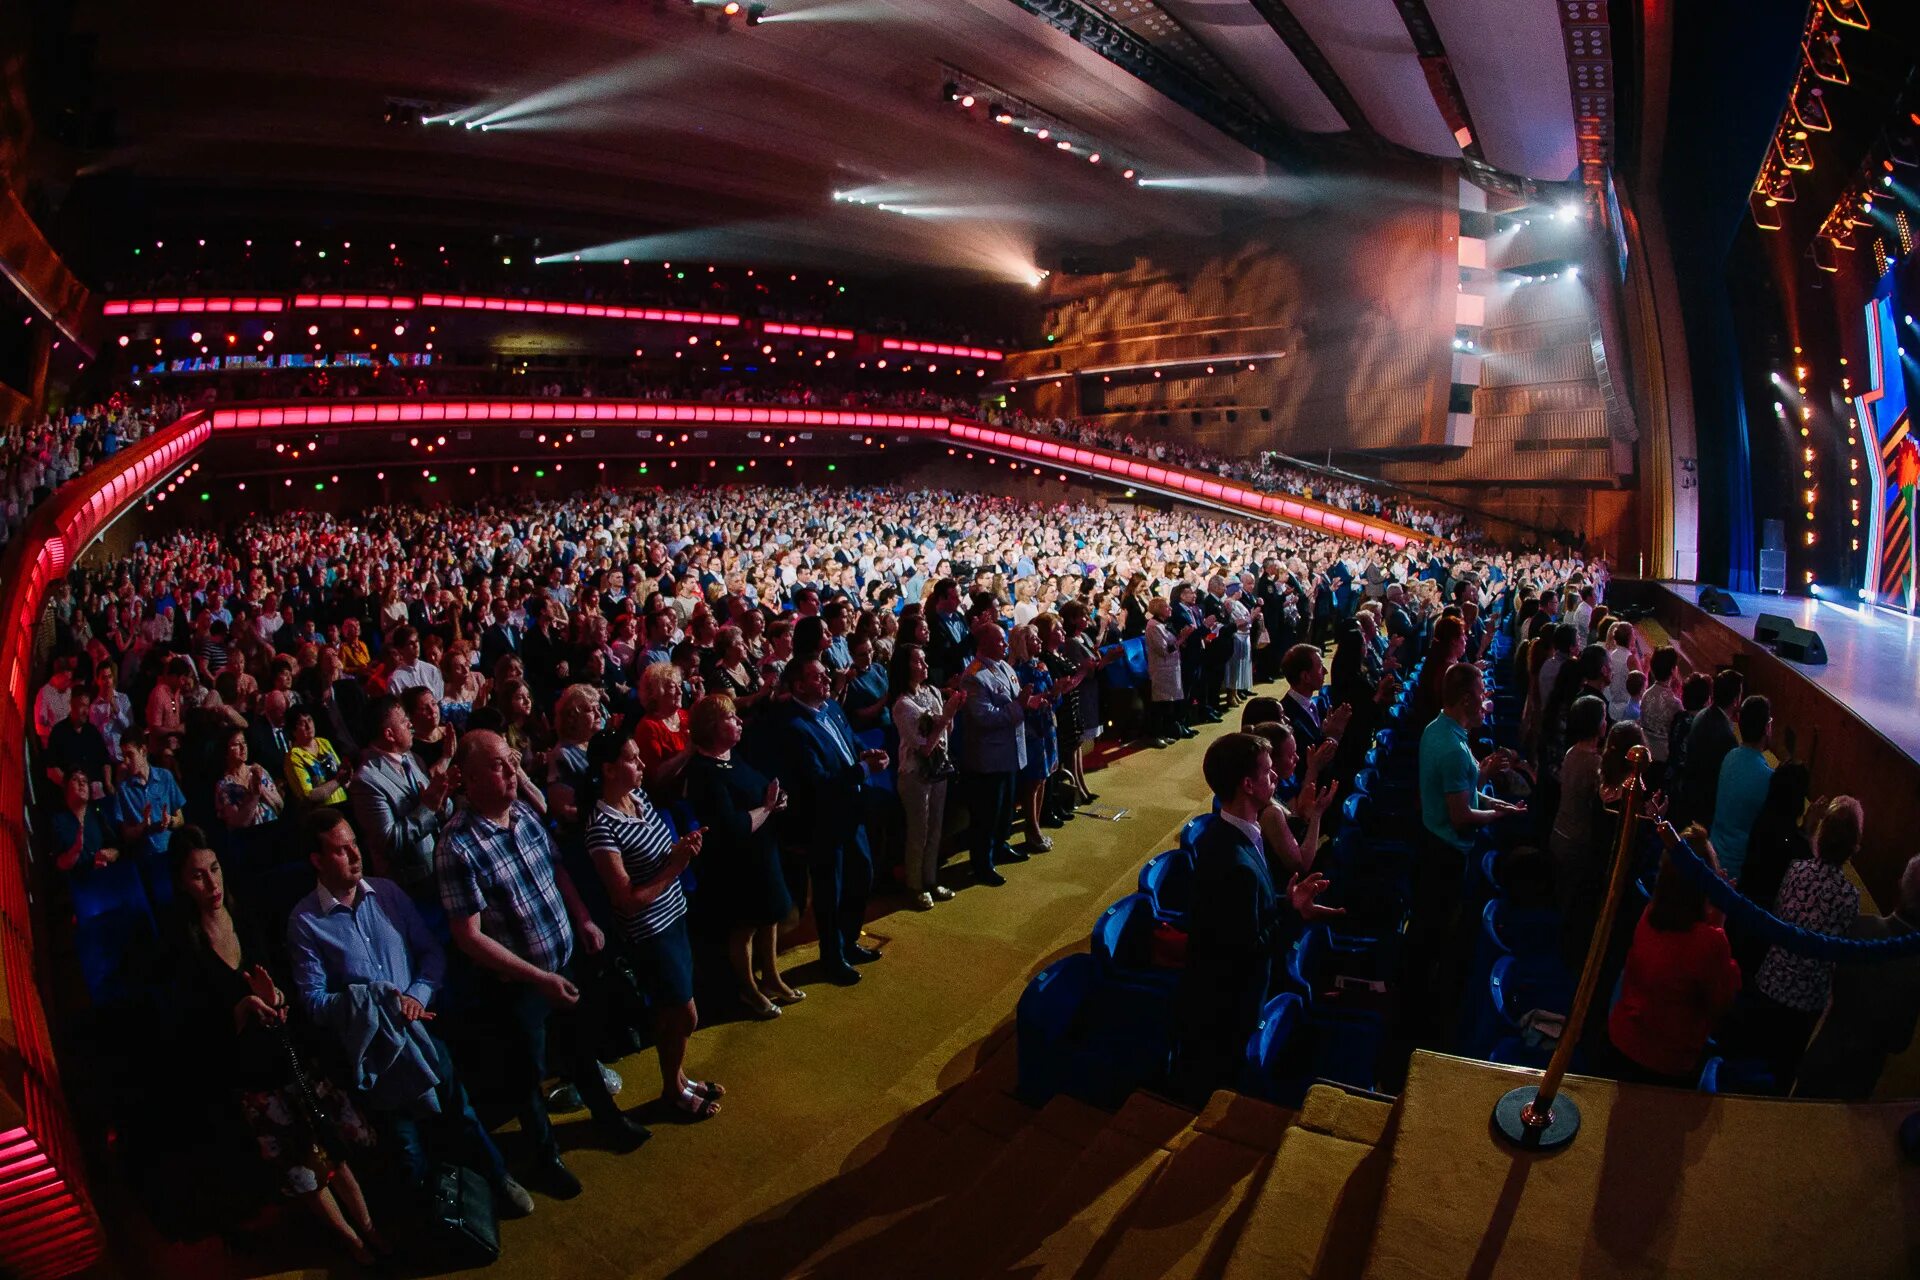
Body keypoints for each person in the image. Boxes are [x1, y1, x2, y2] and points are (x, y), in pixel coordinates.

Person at [285, 809, 534, 1218]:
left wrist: (416, 995)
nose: (354, 854)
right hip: (377, 1051)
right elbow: (314, 1003)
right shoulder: (306, 922)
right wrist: (378, 999)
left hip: (422, 1031)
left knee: (461, 1112)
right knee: (406, 1145)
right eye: (340, 850)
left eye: (354, 844)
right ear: (317, 860)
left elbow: (431, 952)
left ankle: (496, 1177)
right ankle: (431, 1220)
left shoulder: (386, 892)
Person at [438, 730, 649, 1200]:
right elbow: (467, 936)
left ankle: (608, 1121)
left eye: (512, 762)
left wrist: (584, 919)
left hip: (564, 960)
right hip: (517, 984)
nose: (512, 772)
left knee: (580, 1047)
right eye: (499, 766)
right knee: (525, 1075)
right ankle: (543, 1157)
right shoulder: (456, 845)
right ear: (468, 779)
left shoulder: (525, 814)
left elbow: (557, 869)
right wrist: (539, 979)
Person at [169, 835, 384, 1264]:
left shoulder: (245, 916)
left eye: (214, 869)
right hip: (250, 1074)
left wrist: (277, 999)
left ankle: (372, 1230)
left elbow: (287, 983)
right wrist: (244, 1008)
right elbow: (196, 1031)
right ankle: (354, 1244)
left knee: (335, 1152)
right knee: (306, 1172)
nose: (210, 883)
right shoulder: (184, 947)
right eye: (197, 875)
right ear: (182, 884)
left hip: (291, 1055)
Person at [1175, 732, 1340, 1099]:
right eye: (1268, 773)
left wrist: (1287, 902)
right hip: (1231, 1008)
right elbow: (1251, 947)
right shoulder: (1234, 863)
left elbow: (1247, 919)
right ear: (1247, 785)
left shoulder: (1235, 834)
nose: (1276, 779)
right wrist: (1294, 915)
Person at [585, 730, 724, 1118]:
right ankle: (671, 1092)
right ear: (609, 770)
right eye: (632, 759)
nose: (642, 764)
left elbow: (659, 857)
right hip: (649, 933)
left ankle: (678, 1079)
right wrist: (676, 865)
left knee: (673, 1014)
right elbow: (626, 900)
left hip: (673, 915)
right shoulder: (601, 827)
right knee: (684, 1014)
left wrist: (681, 848)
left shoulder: (639, 799)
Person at [684, 694, 801, 1016]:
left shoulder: (733, 757)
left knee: (770, 916)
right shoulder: (704, 771)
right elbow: (732, 826)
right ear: (711, 726)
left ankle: (773, 978)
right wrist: (767, 807)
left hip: (761, 853)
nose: (738, 722)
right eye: (731, 717)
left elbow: (763, 789)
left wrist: (778, 801)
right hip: (734, 864)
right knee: (746, 926)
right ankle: (748, 989)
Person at [773, 658, 888, 980]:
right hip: (823, 821)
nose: (828, 679)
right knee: (829, 892)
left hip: (852, 811)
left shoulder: (832, 709)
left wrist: (867, 754)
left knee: (861, 877)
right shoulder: (793, 726)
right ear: (798, 685)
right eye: (819, 676)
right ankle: (832, 956)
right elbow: (819, 781)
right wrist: (864, 770)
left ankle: (849, 941)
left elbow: (851, 741)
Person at [1606, 830, 1742, 1087]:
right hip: (1667, 1062)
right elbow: (1723, 1000)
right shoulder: (1710, 941)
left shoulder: (1649, 915)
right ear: (1704, 880)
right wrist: (1721, 920)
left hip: (1624, 1041)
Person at [1750, 797, 1863, 1083]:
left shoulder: (1797, 870)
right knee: (1782, 1072)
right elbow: (1838, 955)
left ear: (1821, 834)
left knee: (1751, 1059)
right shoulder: (1850, 897)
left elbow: (1778, 914)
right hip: (1807, 1001)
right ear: (1853, 846)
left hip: (1770, 981)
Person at [1796, 853, 1920, 1100]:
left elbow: (1834, 989)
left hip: (1821, 1057)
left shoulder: (1860, 927)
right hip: (1858, 1083)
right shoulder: (1915, 966)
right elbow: (1899, 1041)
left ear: (1900, 885)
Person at [349, 696, 457, 897]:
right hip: (412, 888)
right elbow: (389, 842)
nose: (410, 724)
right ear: (389, 734)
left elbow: (439, 809)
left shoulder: (412, 758)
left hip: (442, 869)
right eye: (403, 720)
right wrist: (430, 807)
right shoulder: (366, 781)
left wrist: (442, 802)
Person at [889, 642, 963, 909]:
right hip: (915, 773)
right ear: (905, 667)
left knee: (936, 828)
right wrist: (946, 716)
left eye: (924, 661)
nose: (924, 666)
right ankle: (914, 885)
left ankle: (930, 879)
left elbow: (945, 734)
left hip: (938, 768)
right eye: (918, 662)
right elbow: (923, 747)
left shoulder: (931, 691)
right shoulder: (902, 704)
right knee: (918, 832)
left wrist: (949, 714)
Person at [959, 622, 1034, 885]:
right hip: (988, 758)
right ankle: (982, 864)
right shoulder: (974, 676)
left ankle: (1001, 847)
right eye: (1000, 641)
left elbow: (1015, 700)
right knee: (986, 815)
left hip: (1009, 752)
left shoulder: (1005, 667)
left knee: (1004, 809)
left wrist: (1029, 703)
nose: (1004, 645)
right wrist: (1019, 707)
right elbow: (983, 717)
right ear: (985, 644)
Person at [110, 729, 186, 907]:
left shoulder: (165, 777)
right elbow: (126, 835)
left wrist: (170, 821)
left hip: (172, 854)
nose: (126, 762)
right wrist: (143, 827)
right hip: (147, 861)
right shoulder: (124, 791)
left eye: (130, 755)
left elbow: (181, 819)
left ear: (143, 751)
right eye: (123, 757)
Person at [1707, 695, 1774, 886]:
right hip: (1737, 871)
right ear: (1766, 728)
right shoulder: (1767, 777)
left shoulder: (1730, 757)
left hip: (1713, 855)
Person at [1009, 623, 1060, 853]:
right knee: (1032, 781)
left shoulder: (1040, 665)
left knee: (1043, 778)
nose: (1039, 641)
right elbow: (1020, 702)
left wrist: (1057, 692)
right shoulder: (1017, 670)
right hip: (1030, 729)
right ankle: (1032, 828)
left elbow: (1051, 698)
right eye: (1033, 638)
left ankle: (1035, 824)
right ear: (1022, 643)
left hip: (1046, 724)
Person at [1679, 668, 1742, 828]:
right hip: (1704, 810)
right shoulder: (1727, 736)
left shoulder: (1703, 714)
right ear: (1736, 700)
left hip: (1688, 796)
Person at [630, 660, 694, 797]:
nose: (680, 691)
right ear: (656, 693)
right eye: (672, 687)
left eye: (680, 685)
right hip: (669, 798)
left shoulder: (685, 716)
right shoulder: (648, 727)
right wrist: (686, 753)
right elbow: (655, 779)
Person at [283, 707, 352, 809]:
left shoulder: (324, 742)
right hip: (321, 812)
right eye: (302, 723)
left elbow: (341, 774)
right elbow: (309, 796)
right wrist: (338, 781)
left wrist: (348, 775)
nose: (308, 726)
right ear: (293, 731)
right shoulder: (294, 756)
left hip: (343, 802)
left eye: (309, 720)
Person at [1144, 597, 1189, 747]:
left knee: (1169, 703)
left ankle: (1166, 732)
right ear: (1158, 610)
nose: (1170, 609)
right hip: (1161, 669)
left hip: (1172, 668)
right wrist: (1182, 638)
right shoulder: (1153, 626)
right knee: (1160, 704)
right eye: (1166, 607)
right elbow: (1164, 650)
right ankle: (1156, 735)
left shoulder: (1165, 624)